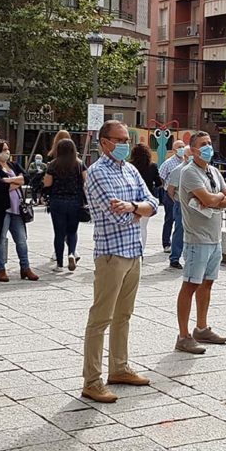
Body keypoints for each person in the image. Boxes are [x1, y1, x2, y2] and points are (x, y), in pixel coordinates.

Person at [82, 120, 158, 403]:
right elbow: (116, 214)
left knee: (124, 315)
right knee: (101, 318)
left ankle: (119, 367)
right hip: (112, 253)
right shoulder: (97, 173)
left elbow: (153, 202)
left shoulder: (131, 170)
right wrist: (137, 210)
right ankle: (92, 380)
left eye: (127, 138)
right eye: (120, 139)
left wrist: (135, 207)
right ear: (104, 142)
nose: (125, 144)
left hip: (133, 250)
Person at [175, 131, 226, 354]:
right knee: (190, 285)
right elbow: (211, 199)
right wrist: (216, 198)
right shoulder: (189, 172)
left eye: (210, 143)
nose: (208, 147)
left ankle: (201, 327)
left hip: (214, 237)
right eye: (203, 144)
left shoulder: (214, 171)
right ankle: (183, 335)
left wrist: (215, 199)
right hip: (196, 238)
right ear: (193, 149)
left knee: (207, 283)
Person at [0, 140, 38, 282]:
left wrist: (9, 180)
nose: (7, 152)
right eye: (4, 149)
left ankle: (25, 267)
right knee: (0, 239)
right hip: (1, 209)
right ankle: (0, 268)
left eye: (7, 149)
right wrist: (14, 182)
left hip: (17, 208)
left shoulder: (13, 165)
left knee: (21, 240)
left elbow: (26, 178)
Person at [44, 138, 87, 272]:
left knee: (59, 233)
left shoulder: (53, 164)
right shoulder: (79, 164)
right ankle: (72, 253)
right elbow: (87, 183)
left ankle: (59, 265)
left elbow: (47, 183)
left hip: (57, 202)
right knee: (72, 231)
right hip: (75, 202)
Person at [129, 143, 163, 250]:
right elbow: (158, 183)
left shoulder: (129, 166)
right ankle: (141, 250)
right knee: (143, 227)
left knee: (132, 226)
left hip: (132, 200)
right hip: (147, 201)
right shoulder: (152, 166)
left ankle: (131, 247)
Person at [166, 145, 192, 270]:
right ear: (185, 157)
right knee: (180, 231)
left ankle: (190, 257)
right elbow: (170, 190)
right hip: (181, 204)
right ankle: (175, 258)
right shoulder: (178, 170)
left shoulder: (197, 170)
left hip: (194, 206)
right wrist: (177, 200)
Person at [159, 139, 186, 253]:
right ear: (174, 150)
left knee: (181, 221)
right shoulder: (168, 163)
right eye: (179, 147)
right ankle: (166, 243)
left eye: (183, 146)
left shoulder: (187, 161)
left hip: (183, 195)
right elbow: (161, 176)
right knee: (169, 219)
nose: (182, 149)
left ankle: (180, 243)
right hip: (170, 195)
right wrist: (167, 187)